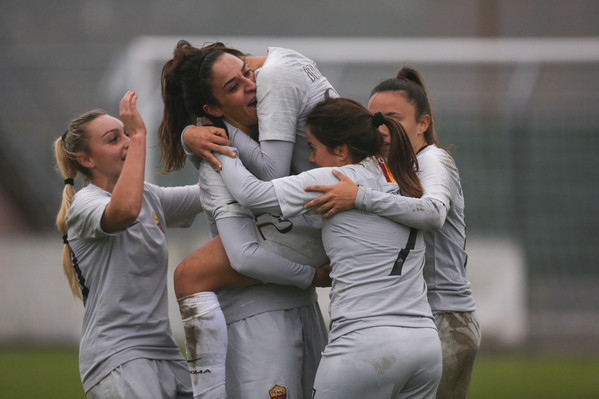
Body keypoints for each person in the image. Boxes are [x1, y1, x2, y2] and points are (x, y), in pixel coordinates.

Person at [214, 96, 442, 399]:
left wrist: (221, 145)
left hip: (364, 346)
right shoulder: (402, 174)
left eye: (312, 147)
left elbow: (251, 194)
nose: (310, 158)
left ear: (341, 150)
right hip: (425, 346)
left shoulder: (336, 178)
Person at [158, 40, 336, 399]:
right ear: (212, 109)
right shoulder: (218, 163)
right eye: (233, 88)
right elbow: (243, 254)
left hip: (305, 310)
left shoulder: (283, 150)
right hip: (259, 319)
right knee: (188, 275)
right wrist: (310, 276)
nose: (252, 86)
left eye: (246, 74)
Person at [302, 67, 481, 399]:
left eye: (393, 118)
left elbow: (433, 213)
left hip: (445, 318)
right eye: (375, 118)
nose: (381, 127)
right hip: (414, 324)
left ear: (423, 123)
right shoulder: (388, 168)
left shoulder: (432, 159)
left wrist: (359, 197)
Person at [54, 90, 202, 398]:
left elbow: (209, 194)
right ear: (86, 160)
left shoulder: (149, 196)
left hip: (162, 350)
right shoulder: (85, 203)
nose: (126, 142)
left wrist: (209, 135)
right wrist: (138, 136)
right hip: (117, 356)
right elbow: (123, 211)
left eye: (126, 134)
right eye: (113, 139)